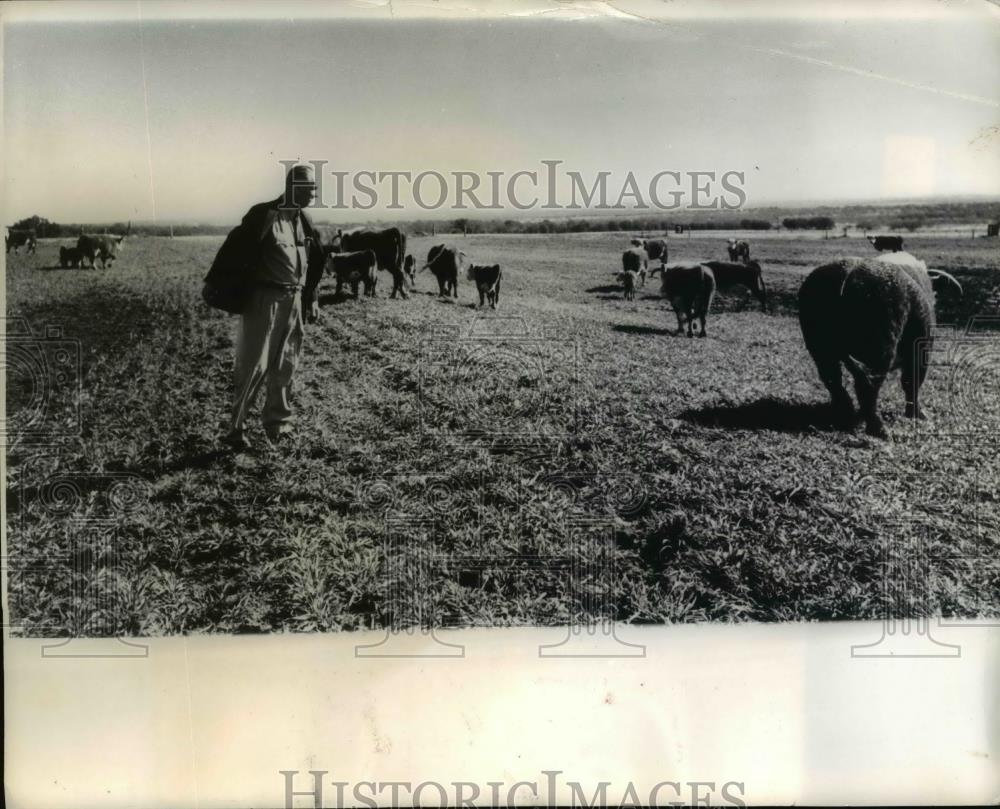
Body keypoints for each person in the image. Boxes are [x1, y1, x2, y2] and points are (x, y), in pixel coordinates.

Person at [221, 164, 326, 450]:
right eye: (310, 188)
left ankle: (278, 425)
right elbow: (238, 251)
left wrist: (311, 296)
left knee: (286, 364)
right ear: (294, 187)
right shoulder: (264, 215)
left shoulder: (303, 220)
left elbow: (311, 261)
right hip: (265, 299)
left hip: (294, 300)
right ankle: (236, 430)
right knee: (254, 365)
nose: (315, 193)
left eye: (315, 187)